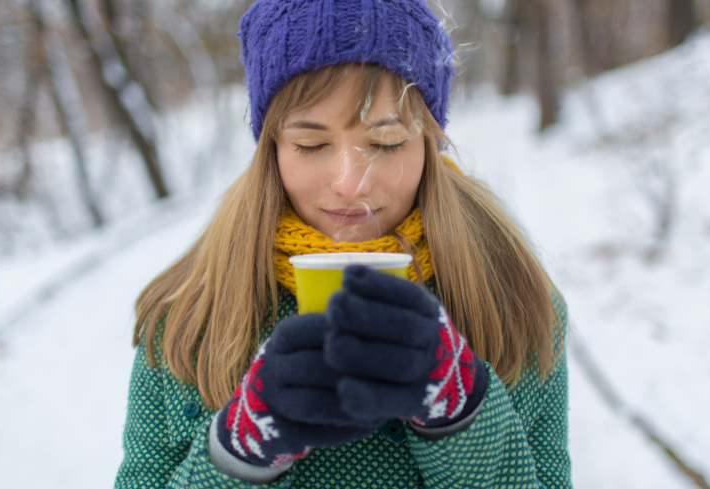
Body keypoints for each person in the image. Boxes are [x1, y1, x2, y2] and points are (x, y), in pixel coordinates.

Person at [115, 0, 571, 487]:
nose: (350, 183)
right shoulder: (186, 314)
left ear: (428, 143)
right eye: (311, 145)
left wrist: (463, 416)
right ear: (271, 147)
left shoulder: (515, 299)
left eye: (386, 141)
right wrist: (239, 454)